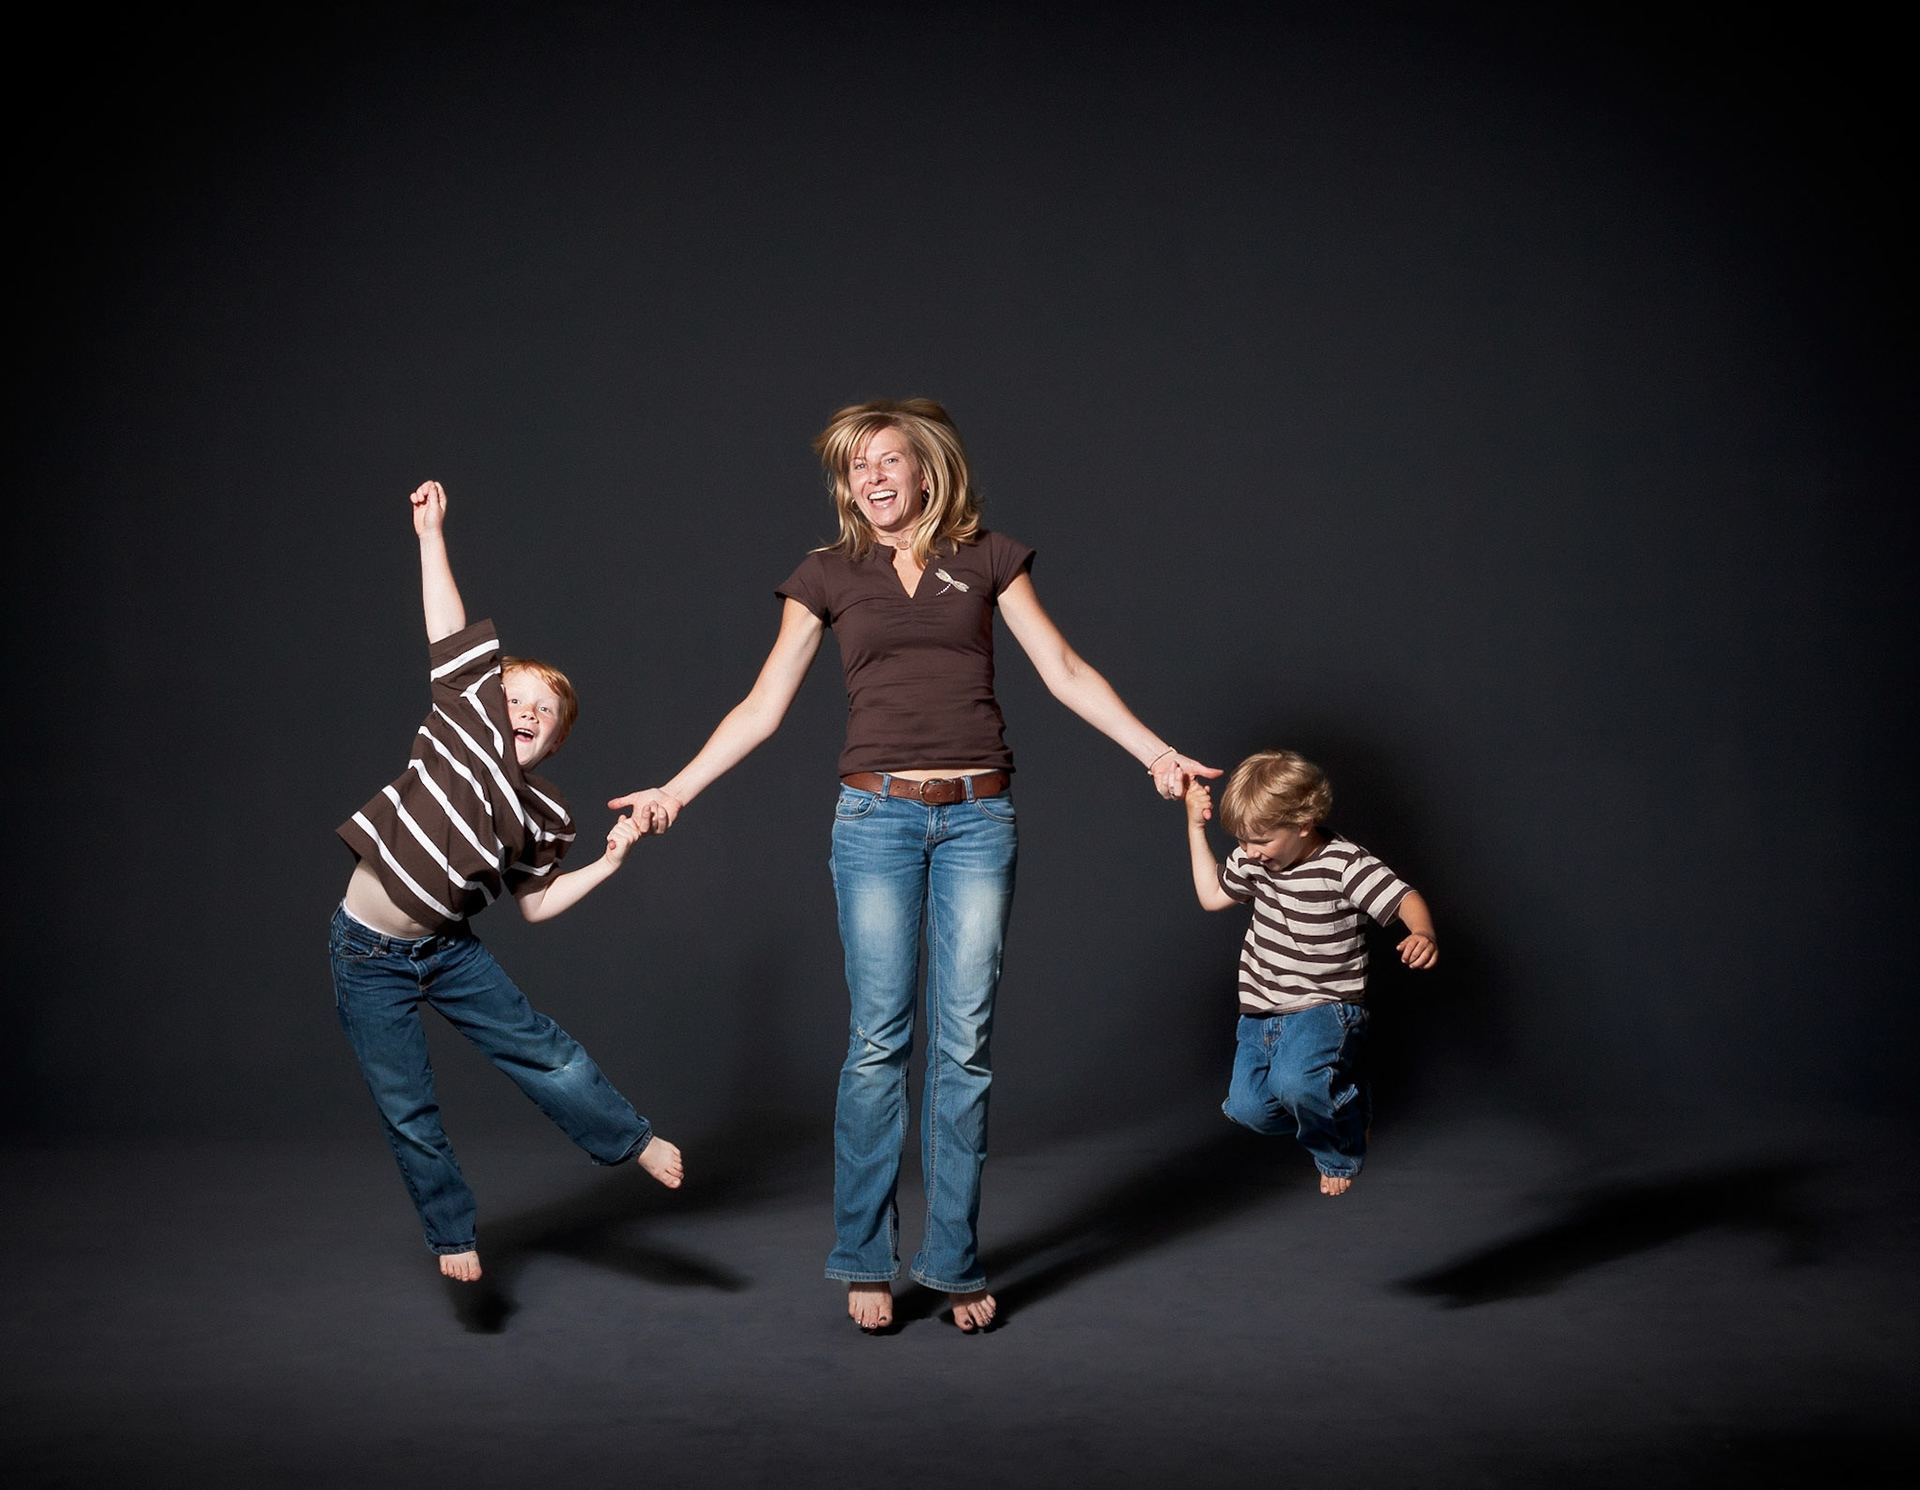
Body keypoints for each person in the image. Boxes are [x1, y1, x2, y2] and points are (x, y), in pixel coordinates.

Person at [612, 399, 1216, 1332]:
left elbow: (1062, 667)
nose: (873, 479)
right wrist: (675, 791)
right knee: (878, 1042)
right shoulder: (825, 574)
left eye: (888, 461)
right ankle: (864, 1256)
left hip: (979, 818)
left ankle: (954, 1260)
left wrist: (1156, 753)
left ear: (927, 472)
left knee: (964, 1046)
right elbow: (761, 705)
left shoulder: (988, 557)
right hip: (875, 820)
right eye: (857, 468)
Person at [333, 480, 683, 1284]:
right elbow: (447, 626)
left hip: (447, 952)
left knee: (546, 1053)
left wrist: (610, 861)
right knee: (408, 1107)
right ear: (486, 702)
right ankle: (453, 1230)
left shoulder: (547, 816)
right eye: (514, 697)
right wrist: (431, 537)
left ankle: (630, 1138)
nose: (524, 711)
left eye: (543, 711)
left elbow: (538, 906)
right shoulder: (461, 723)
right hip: (365, 953)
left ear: (554, 743)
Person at [1182, 749, 1437, 1195]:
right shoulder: (1252, 860)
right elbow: (1210, 896)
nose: (1249, 852)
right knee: (1248, 1110)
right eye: (1241, 840)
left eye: (1260, 840)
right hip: (1260, 1011)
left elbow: (1403, 898)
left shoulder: (1343, 864)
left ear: (1302, 824)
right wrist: (1194, 826)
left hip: (1324, 1008)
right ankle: (1346, 1113)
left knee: (1296, 1084)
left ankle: (1339, 1150)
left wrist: (1423, 932)